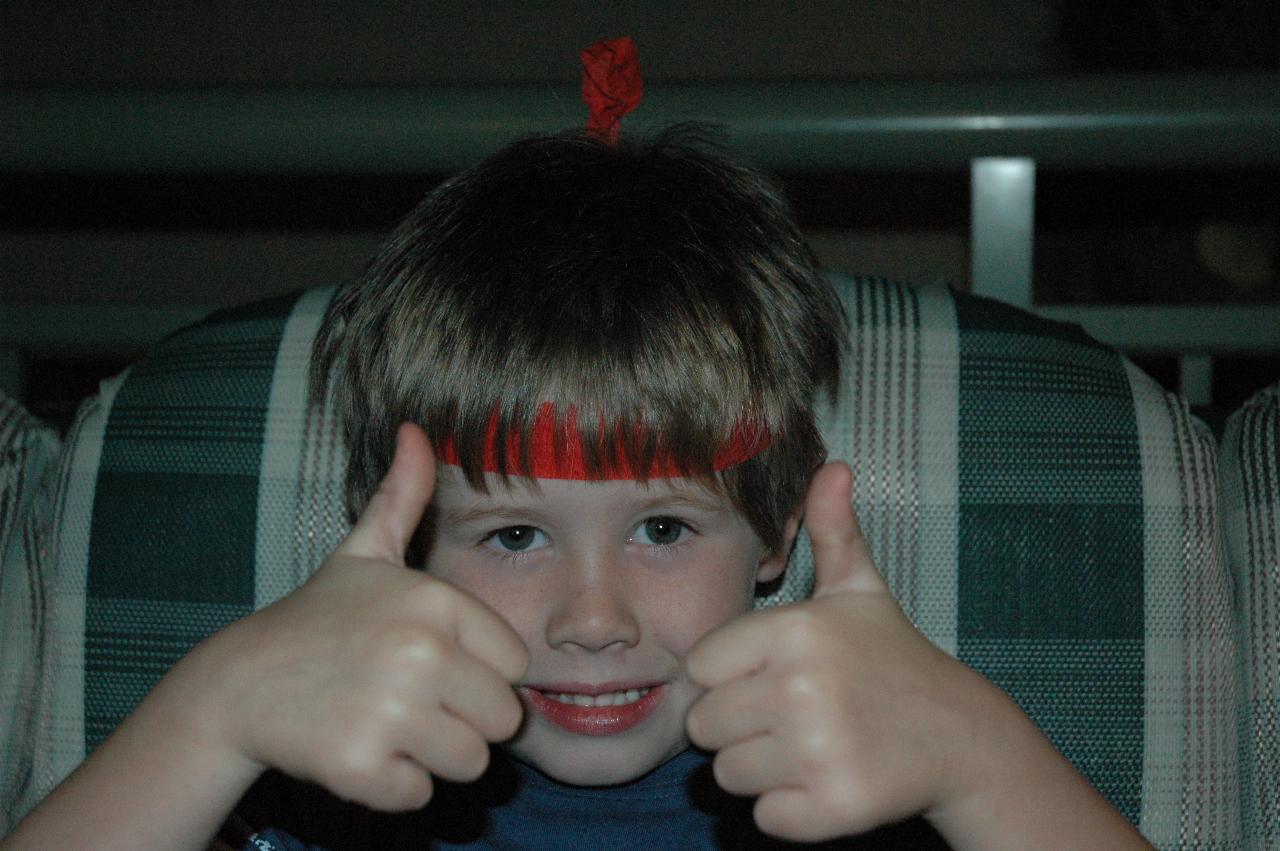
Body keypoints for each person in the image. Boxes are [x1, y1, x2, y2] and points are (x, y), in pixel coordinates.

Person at [1, 129, 1152, 850]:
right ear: (406, 552)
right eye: (509, 533)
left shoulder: (853, 793)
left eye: (660, 525)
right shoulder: (338, 802)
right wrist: (213, 708)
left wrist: (981, 757)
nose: (590, 618)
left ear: (772, 525)